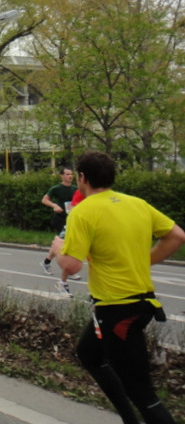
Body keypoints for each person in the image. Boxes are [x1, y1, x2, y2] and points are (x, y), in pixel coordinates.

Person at [54, 150, 185, 424]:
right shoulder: (137, 204)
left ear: (82, 178)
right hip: (138, 304)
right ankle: (129, 419)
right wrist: (144, 260)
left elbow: (72, 266)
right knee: (89, 354)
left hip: (118, 311)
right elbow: (176, 236)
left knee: (143, 394)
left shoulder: (83, 211)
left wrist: (58, 249)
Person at [39, 168, 81, 290]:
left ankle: (46, 262)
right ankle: (69, 271)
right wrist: (54, 205)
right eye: (67, 174)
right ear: (61, 176)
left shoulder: (75, 189)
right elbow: (44, 199)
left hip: (70, 219)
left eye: (71, 174)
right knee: (66, 243)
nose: (70, 176)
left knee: (60, 243)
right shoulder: (56, 188)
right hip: (59, 219)